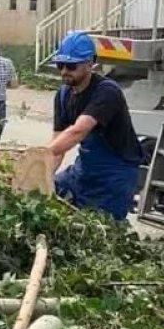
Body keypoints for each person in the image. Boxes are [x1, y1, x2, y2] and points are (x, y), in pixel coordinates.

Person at [47, 31, 145, 221]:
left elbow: (78, 131)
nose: (64, 71)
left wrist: (35, 156)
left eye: (71, 66)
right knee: (53, 192)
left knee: (104, 231)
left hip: (115, 175)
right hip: (85, 169)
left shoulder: (107, 92)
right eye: (60, 65)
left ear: (90, 63)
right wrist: (43, 174)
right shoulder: (62, 95)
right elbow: (58, 146)